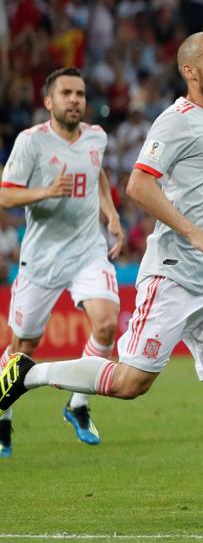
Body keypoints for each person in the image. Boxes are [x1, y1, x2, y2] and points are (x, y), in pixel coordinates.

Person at [0, 32, 203, 511]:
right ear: (191, 71)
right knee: (131, 383)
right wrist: (193, 232)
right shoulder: (177, 122)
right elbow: (139, 183)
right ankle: (29, 372)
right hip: (173, 272)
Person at [0, 67, 124, 455]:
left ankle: (78, 405)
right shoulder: (31, 142)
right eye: (67, 93)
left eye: (80, 94)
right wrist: (47, 191)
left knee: (106, 326)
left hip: (88, 251)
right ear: (49, 101)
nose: (75, 100)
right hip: (41, 259)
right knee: (24, 345)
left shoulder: (96, 137)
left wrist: (111, 213)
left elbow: (98, 172)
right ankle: (3, 417)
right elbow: (5, 196)